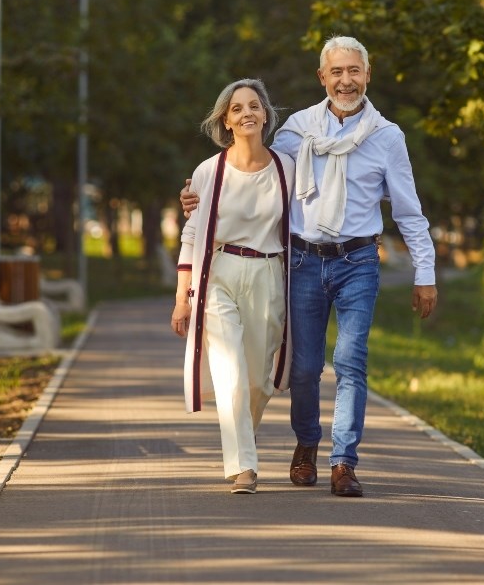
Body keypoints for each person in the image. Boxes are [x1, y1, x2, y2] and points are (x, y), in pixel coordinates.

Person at [182, 36, 437, 497]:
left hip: (359, 259)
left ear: (367, 74)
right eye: (336, 72)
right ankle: (306, 444)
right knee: (303, 368)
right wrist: (199, 198)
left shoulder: (387, 137)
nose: (346, 80)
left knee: (351, 361)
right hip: (301, 259)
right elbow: (258, 176)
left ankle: (343, 461)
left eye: (354, 71)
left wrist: (425, 274)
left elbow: (408, 211)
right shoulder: (297, 131)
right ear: (323, 78)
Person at [171, 78, 295, 494]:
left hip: (268, 273)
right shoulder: (209, 171)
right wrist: (181, 300)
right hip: (219, 272)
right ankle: (243, 466)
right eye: (237, 108)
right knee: (230, 371)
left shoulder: (286, 167)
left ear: (265, 115)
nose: (246, 114)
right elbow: (191, 235)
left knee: (259, 379)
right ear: (226, 119)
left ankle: (244, 436)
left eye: (254, 106)